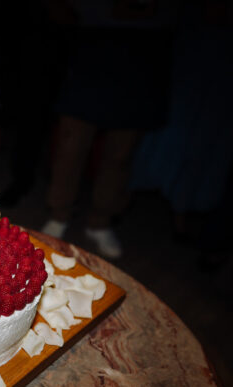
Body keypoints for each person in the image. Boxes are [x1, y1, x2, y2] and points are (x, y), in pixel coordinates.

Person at [39, 0, 176, 259]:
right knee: (70, 145)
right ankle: (59, 214)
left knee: (121, 154)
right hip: (94, 49)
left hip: (142, 55)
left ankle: (100, 221)